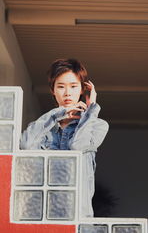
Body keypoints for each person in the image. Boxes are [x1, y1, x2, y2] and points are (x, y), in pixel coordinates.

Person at [20, 58, 109, 218]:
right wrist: (56, 114)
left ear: (83, 89)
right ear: (53, 90)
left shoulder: (97, 125)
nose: (67, 93)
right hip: (42, 212)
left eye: (74, 86)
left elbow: (78, 147)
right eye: (60, 87)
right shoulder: (44, 127)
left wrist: (91, 110)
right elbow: (26, 146)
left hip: (78, 215)